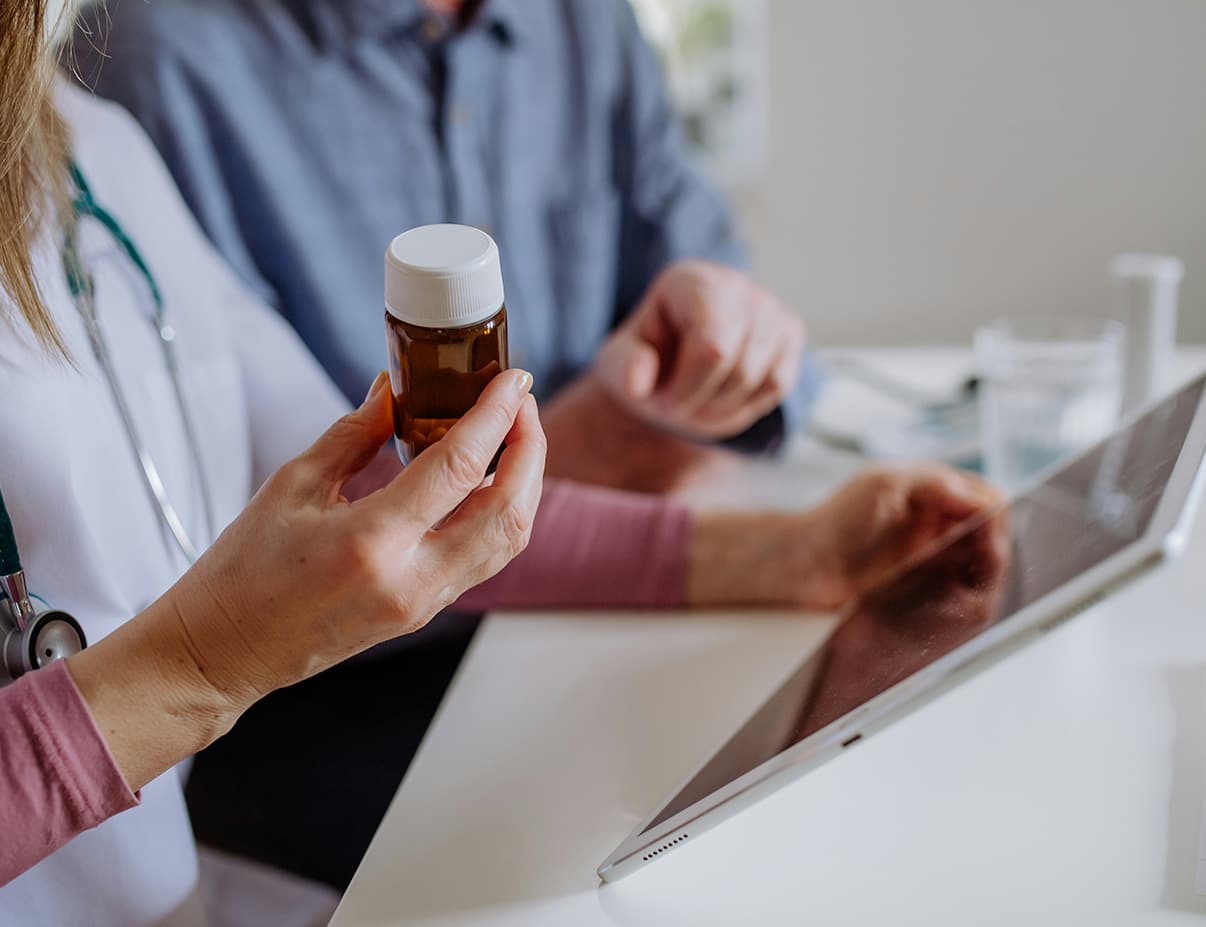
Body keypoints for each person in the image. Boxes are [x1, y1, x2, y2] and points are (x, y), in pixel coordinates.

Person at [0, 3, 996, 922]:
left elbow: (392, 501)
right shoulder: (166, 59)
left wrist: (796, 555)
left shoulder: (97, 149)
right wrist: (206, 664)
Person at [71, 0, 818, 496]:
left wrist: (725, 344)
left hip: (610, 607)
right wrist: (577, 452)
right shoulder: (153, 62)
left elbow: (750, 328)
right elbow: (253, 544)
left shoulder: (584, 20)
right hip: (357, 683)